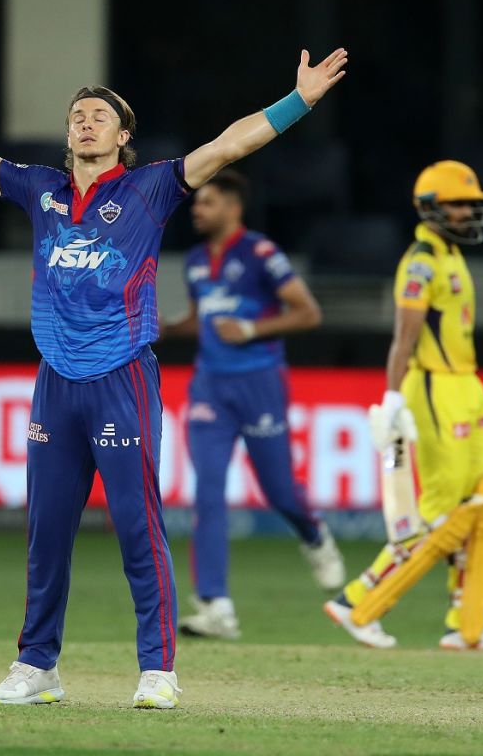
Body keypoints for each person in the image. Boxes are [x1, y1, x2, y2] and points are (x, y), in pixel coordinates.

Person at [0, 47, 347, 707]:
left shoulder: (153, 188)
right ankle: (36, 667)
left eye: (98, 117)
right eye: (77, 116)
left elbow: (228, 146)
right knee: (46, 532)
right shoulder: (41, 189)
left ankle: (158, 671)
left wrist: (300, 100)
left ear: (122, 136)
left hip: (121, 378)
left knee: (138, 528)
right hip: (55, 383)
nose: (84, 123)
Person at [323, 161, 483, 651]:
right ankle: (358, 602)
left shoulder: (451, 255)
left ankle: (470, 621)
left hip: (465, 385)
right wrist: (392, 397)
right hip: (433, 390)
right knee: (438, 515)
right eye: (458, 204)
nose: (467, 213)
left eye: (472, 205)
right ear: (430, 208)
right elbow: (403, 338)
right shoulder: (421, 262)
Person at [160, 169, 343, 640]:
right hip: (210, 389)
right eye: (196, 203)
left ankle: (313, 534)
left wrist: (250, 331)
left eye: (207, 202)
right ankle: (215, 606)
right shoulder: (197, 260)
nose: (196, 210)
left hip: (259, 383)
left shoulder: (261, 253)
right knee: (208, 491)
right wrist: (161, 327)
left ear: (233, 208)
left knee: (280, 492)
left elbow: (308, 312)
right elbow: (203, 323)